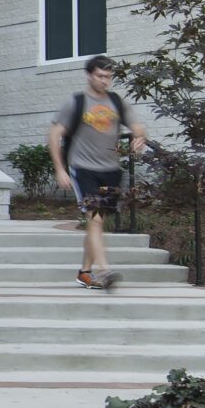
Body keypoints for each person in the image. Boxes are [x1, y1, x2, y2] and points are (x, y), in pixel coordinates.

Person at [47, 54, 146, 291]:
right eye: (100, 76)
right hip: (84, 169)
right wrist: (60, 169)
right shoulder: (77, 102)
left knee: (96, 224)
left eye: (108, 77)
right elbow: (53, 135)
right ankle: (104, 270)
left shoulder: (116, 101)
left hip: (111, 170)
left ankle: (84, 273)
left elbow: (137, 125)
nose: (105, 81)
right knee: (96, 219)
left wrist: (139, 137)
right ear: (89, 75)